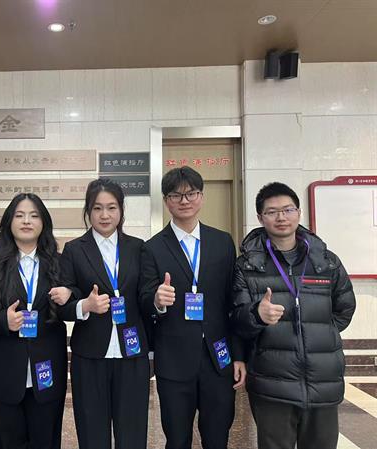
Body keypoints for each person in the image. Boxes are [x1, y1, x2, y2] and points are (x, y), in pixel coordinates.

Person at [230, 182, 356, 449]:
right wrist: (257, 315)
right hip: (272, 381)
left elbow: (344, 308)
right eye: (272, 212)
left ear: (299, 213)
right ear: (260, 218)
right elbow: (237, 319)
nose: (281, 217)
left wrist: (320, 332)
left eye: (288, 210)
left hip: (323, 378)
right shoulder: (248, 265)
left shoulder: (325, 261)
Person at [140, 166, 246, 449]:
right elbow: (144, 299)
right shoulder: (152, 248)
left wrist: (239, 355)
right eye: (176, 195)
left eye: (191, 193)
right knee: (177, 439)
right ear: (166, 201)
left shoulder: (222, 242)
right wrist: (156, 301)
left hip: (218, 357)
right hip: (174, 360)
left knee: (217, 437)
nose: (184, 200)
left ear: (201, 196)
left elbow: (233, 303)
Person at [0, 193, 70, 449]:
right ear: (8, 222)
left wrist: (71, 293)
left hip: (47, 369)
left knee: (46, 442)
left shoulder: (59, 263)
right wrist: (4, 321)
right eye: (19, 215)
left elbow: (73, 301)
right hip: (3, 371)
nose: (26, 221)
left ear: (43, 223)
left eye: (34, 215)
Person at [57, 178, 150, 449]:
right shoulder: (74, 250)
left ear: (121, 210)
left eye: (111, 207)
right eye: (97, 208)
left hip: (132, 352)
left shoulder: (138, 247)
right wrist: (84, 306)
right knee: (92, 433)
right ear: (88, 211)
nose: (105, 215)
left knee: (132, 433)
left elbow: (145, 298)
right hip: (89, 355)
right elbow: (62, 305)